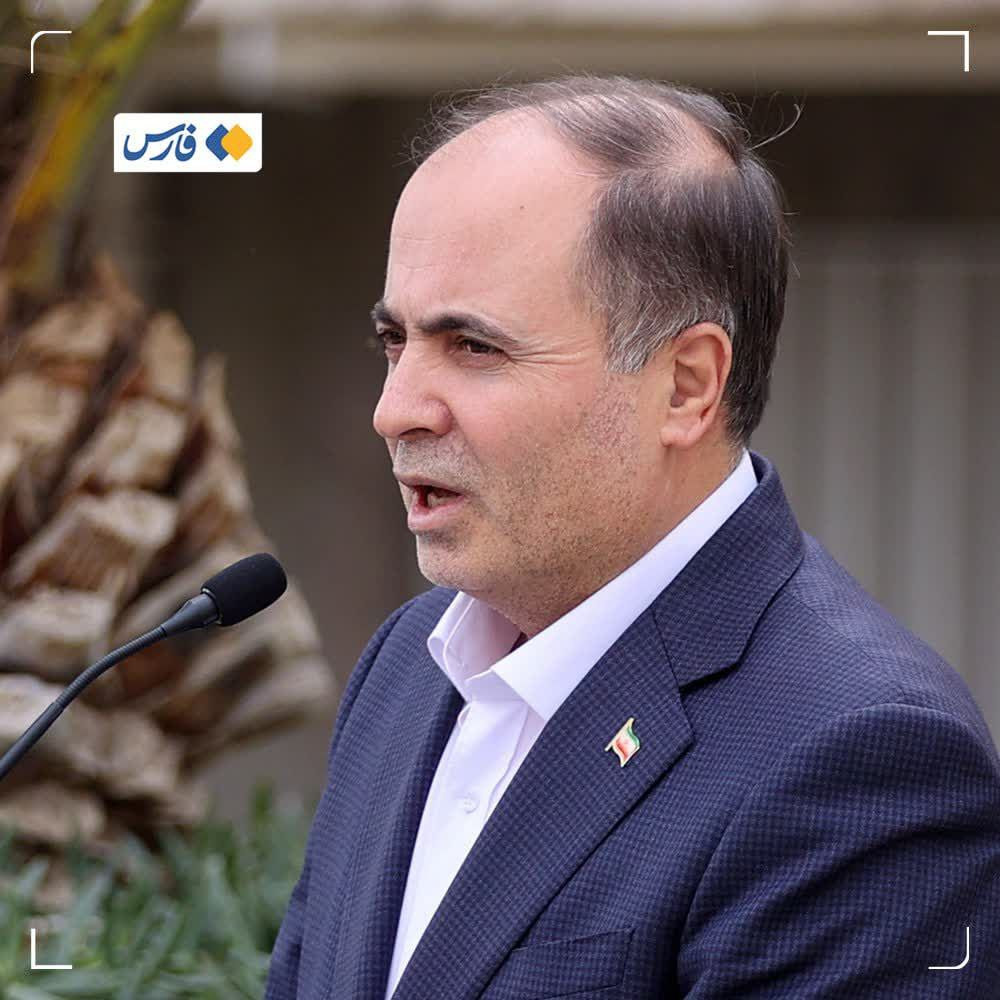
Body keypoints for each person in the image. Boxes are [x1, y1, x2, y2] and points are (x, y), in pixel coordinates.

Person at [265, 75, 1000, 999]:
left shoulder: (863, 754)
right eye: (394, 341)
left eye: (474, 348)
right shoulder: (406, 667)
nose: (396, 409)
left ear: (686, 385)